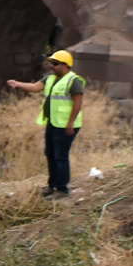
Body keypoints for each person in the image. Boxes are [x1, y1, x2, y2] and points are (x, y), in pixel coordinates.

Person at [6, 50, 84, 197]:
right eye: (51, 63)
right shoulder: (50, 79)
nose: (51, 66)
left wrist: (71, 122)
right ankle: (52, 186)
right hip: (53, 123)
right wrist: (17, 84)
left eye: (55, 64)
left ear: (65, 65)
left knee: (61, 156)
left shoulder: (74, 80)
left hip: (66, 124)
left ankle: (61, 189)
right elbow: (35, 87)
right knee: (50, 154)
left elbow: (78, 101)